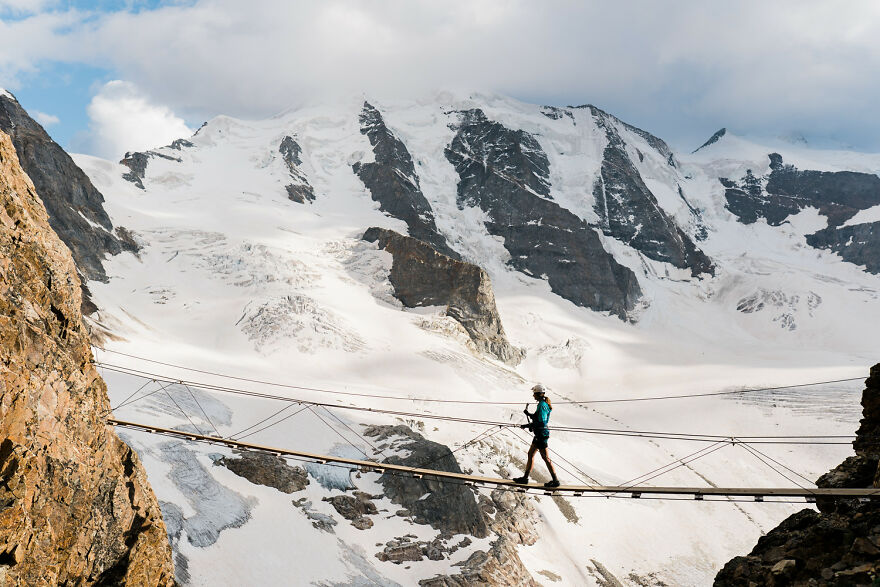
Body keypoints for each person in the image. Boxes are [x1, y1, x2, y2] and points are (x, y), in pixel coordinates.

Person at [513, 384, 560, 488]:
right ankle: (525, 478)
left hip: (541, 434)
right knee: (531, 454)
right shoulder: (542, 404)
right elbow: (538, 418)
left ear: (538, 394)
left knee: (545, 458)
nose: (533, 396)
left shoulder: (542, 405)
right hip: (540, 434)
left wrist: (528, 425)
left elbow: (541, 422)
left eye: (534, 393)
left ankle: (555, 480)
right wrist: (529, 414)